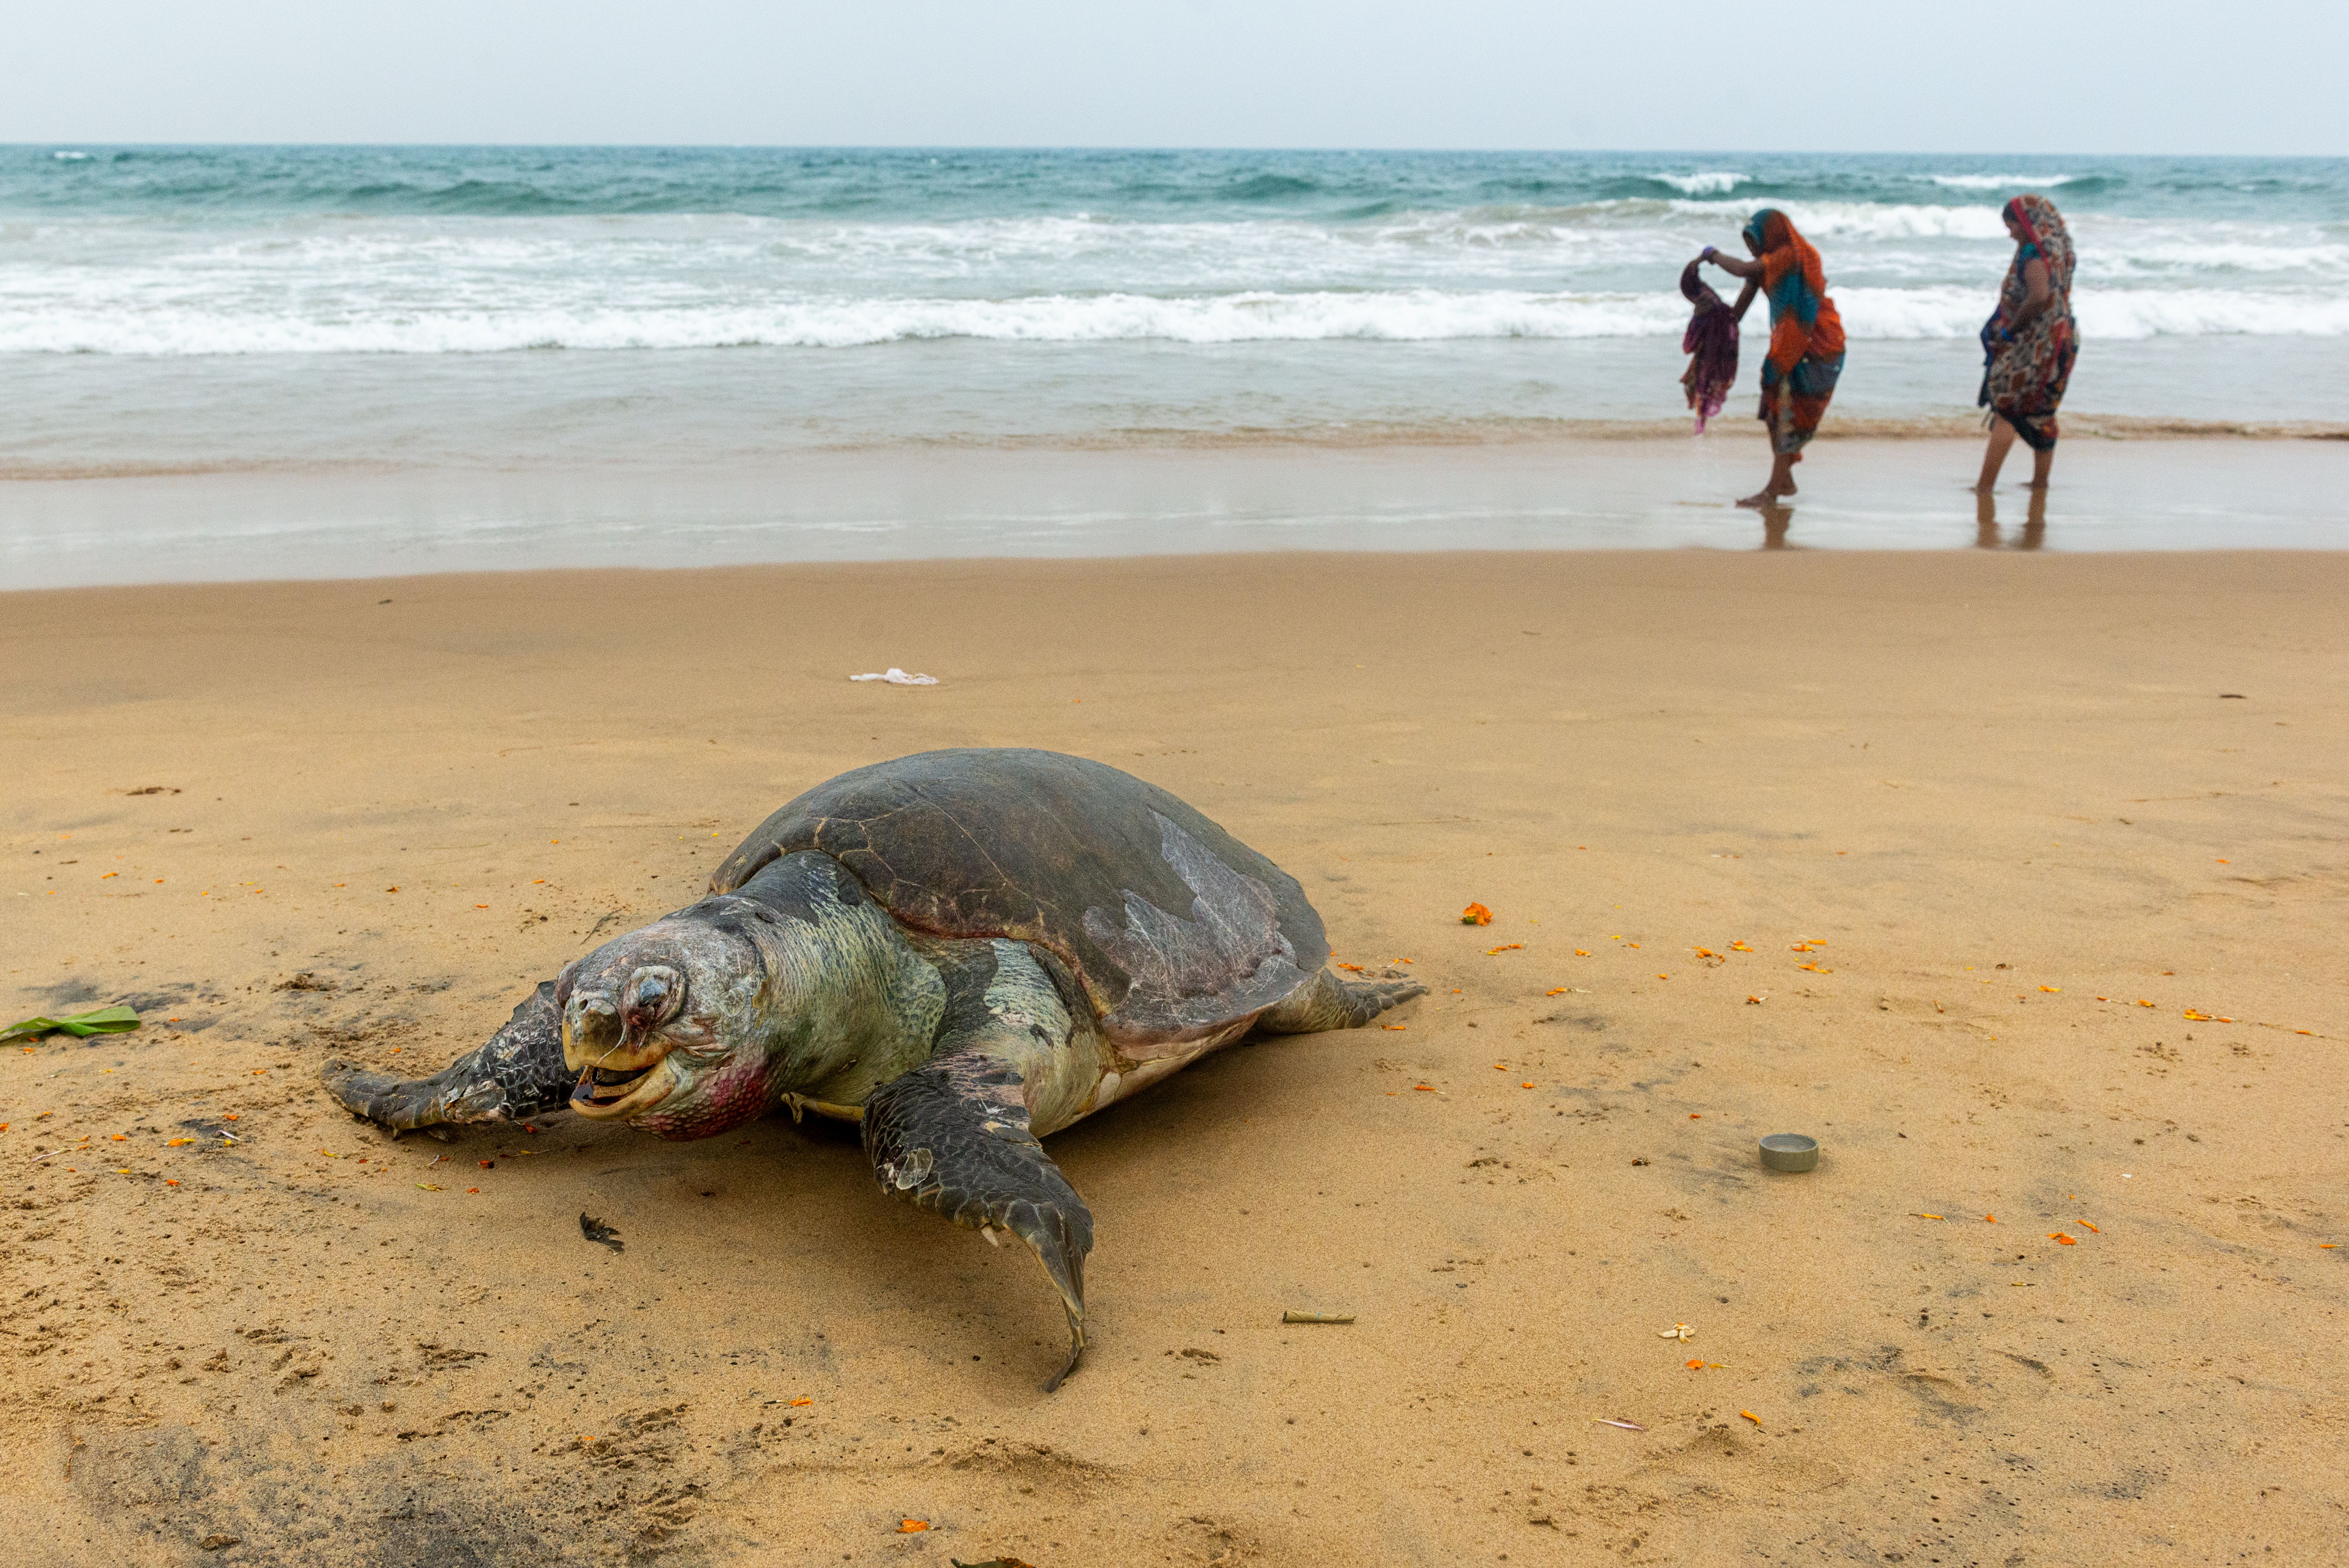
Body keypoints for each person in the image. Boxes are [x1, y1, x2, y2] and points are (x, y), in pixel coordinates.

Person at [1697, 210, 1846, 508]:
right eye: (1749, 243)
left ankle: (1772, 491)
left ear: (1773, 235)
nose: (1752, 249)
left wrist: (1712, 256)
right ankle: (1784, 481)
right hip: (1793, 344)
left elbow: (1740, 269)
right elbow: (1736, 314)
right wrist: (1710, 324)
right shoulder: (1767, 266)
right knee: (1771, 409)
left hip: (1817, 344)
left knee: (1787, 413)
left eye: (1755, 240)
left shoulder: (1790, 256)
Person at [1975, 194, 2078, 491]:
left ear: (2027, 223)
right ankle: (2040, 483)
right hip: (2063, 338)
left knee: (2006, 409)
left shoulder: (2034, 253)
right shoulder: (2061, 249)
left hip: (2036, 344)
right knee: (2042, 412)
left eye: (2012, 226)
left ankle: (1985, 486)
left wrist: (2009, 332)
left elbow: (2038, 297)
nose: (2010, 234)